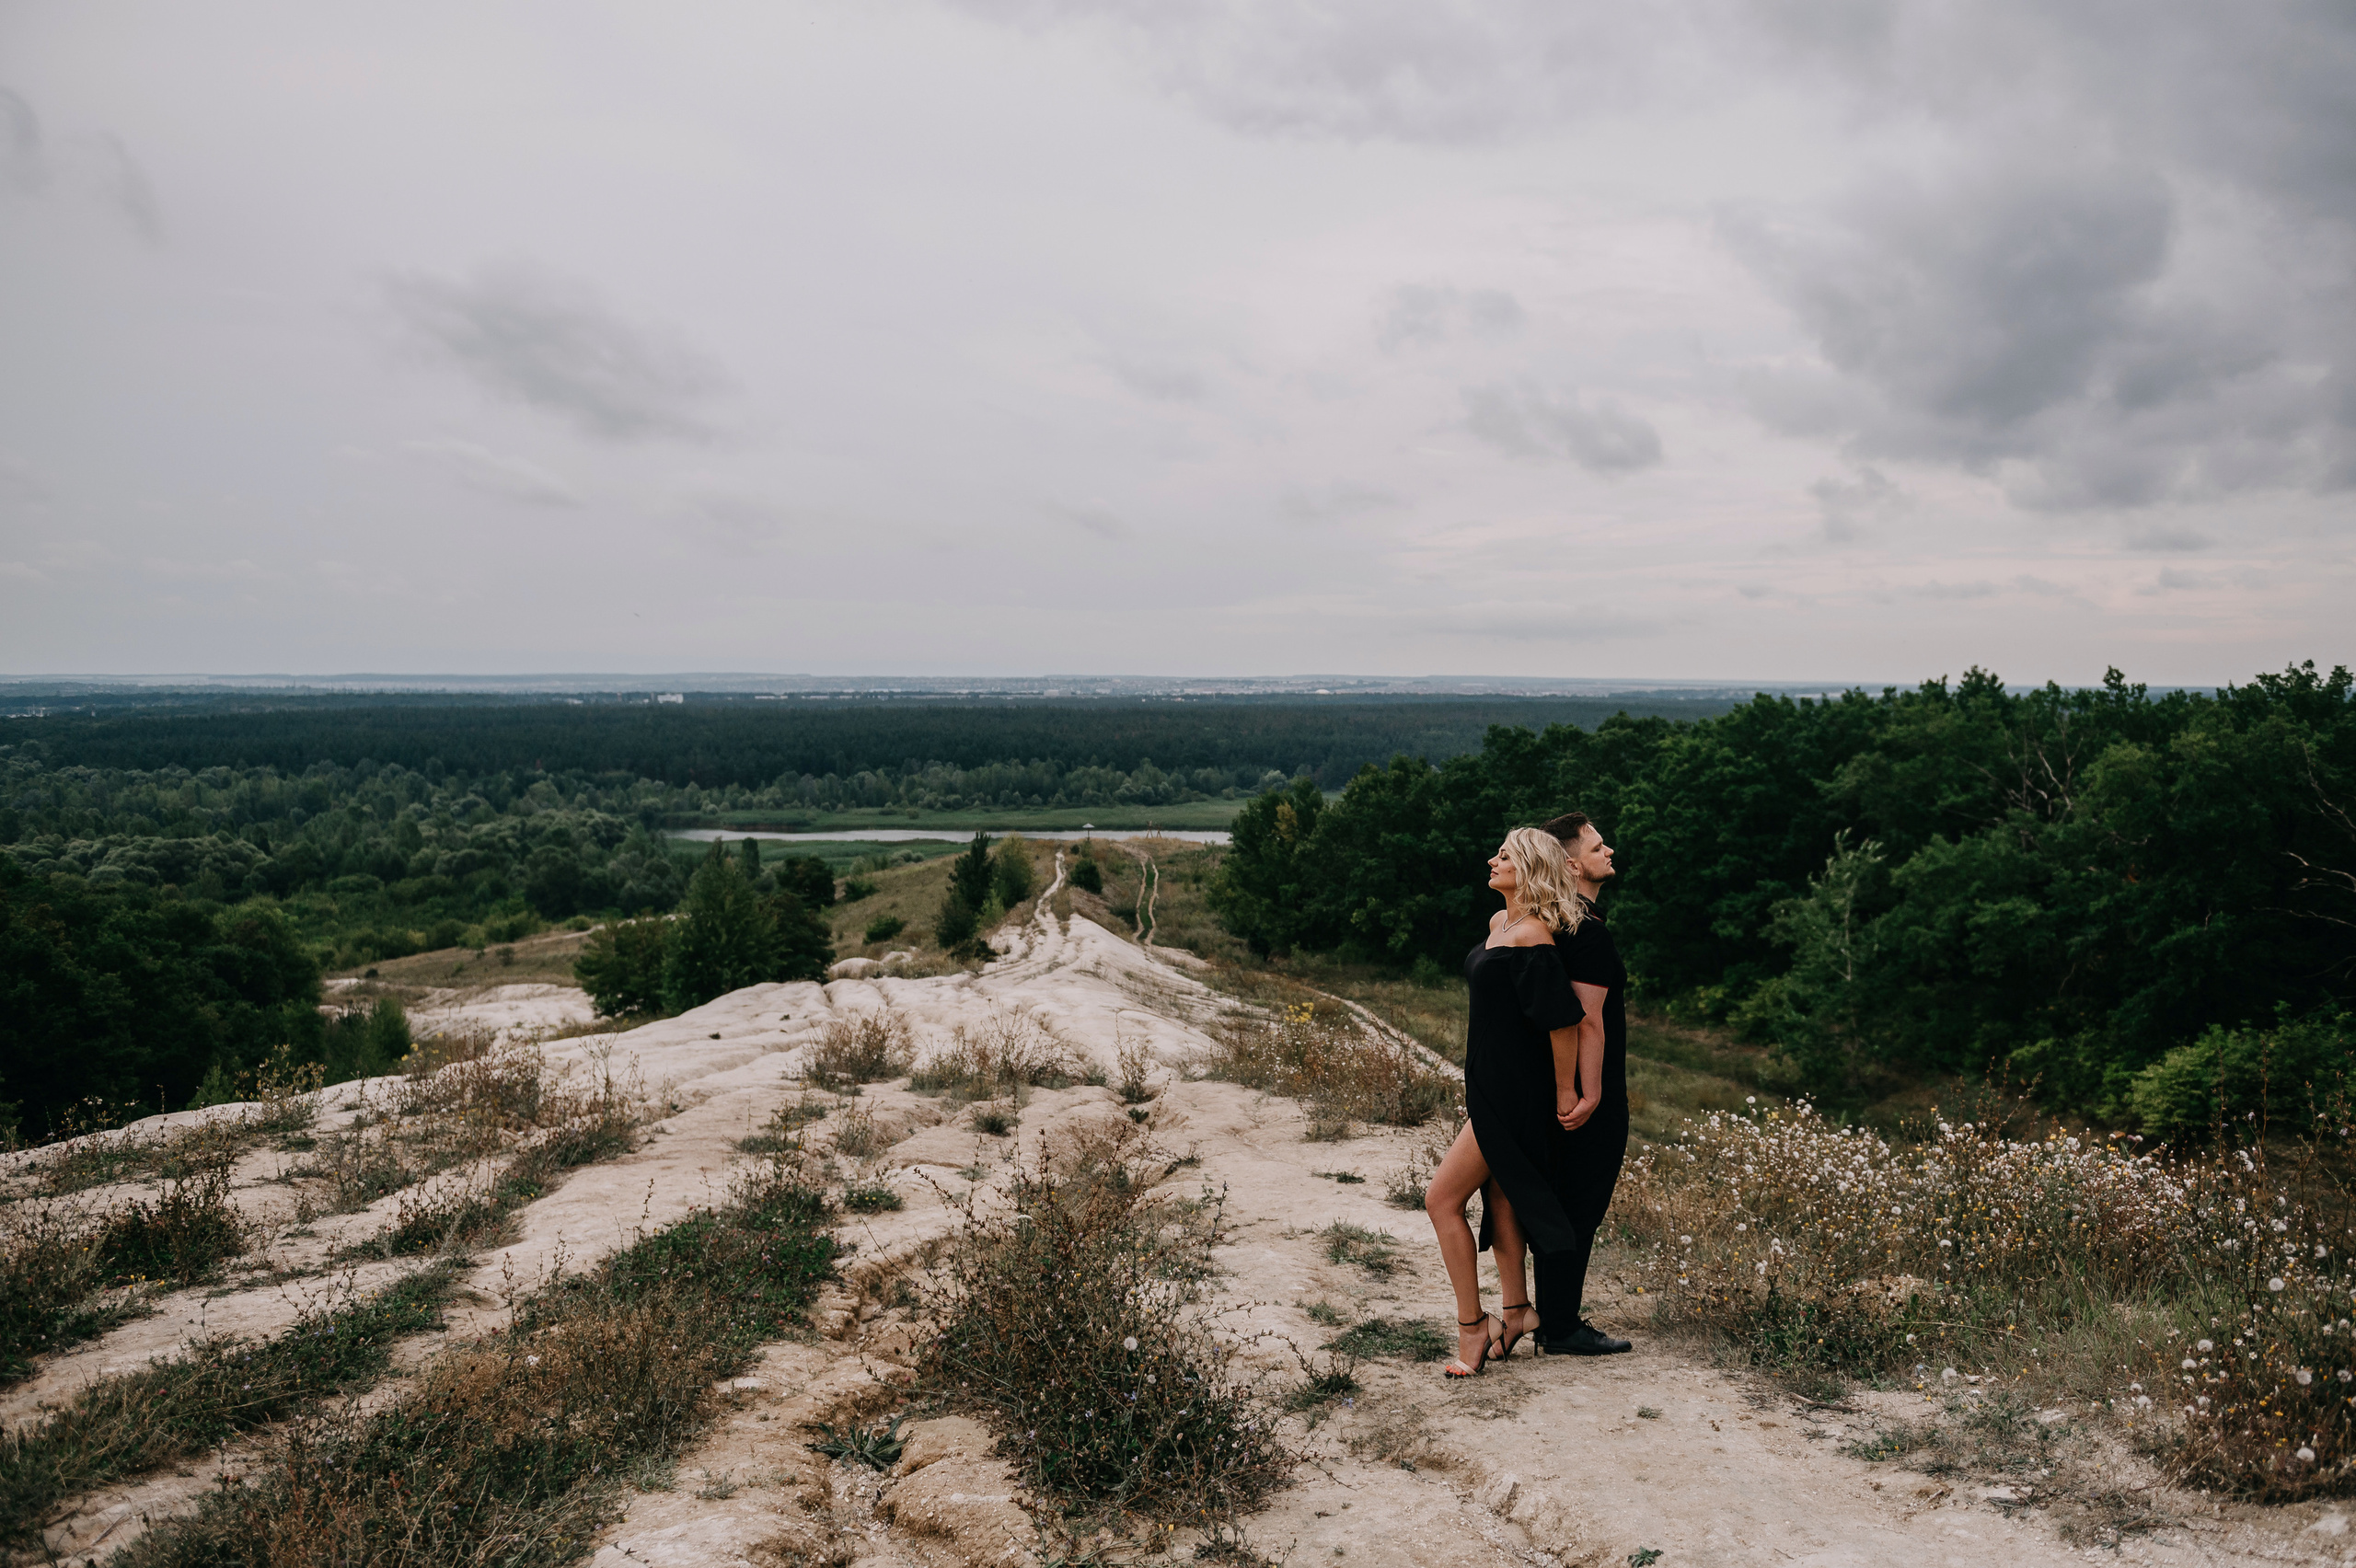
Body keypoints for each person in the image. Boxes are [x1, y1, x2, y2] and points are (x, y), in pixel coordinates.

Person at [1426, 827, 1593, 1378]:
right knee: (1501, 1200)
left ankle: (1473, 1327)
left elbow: (1563, 1023)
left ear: (1528, 869)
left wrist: (1565, 1092)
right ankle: (1517, 1311)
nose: (1492, 860)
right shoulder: (1501, 924)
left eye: (1504, 855)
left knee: (1441, 1200)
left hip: (1517, 1095)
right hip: (1491, 1087)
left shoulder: (1535, 936)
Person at [1526, 809, 1631, 1355]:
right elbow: (1587, 1019)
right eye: (1597, 848)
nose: (1608, 852)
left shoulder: (1545, 924)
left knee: (1559, 1200)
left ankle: (1549, 1316)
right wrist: (1590, 1094)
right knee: (1581, 1204)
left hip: (1551, 1082)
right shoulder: (1585, 932)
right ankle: (1561, 1325)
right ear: (1570, 865)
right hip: (1593, 1088)